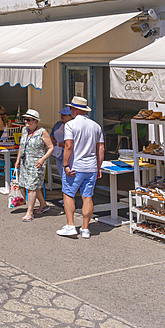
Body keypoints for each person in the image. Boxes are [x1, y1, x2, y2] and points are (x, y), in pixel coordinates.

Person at [57, 96, 105, 239]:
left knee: (68, 194)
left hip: (75, 166)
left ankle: (71, 225)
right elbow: (101, 148)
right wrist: (98, 167)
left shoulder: (70, 125)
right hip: (91, 166)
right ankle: (85, 228)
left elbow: (68, 146)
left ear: (76, 110)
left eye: (71, 108)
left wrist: (65, 164)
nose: (70, 110)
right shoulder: (96, 126)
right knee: (87, 197)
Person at [15, 109, 54, 221]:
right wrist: (18, 160)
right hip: (25, 162)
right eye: (25, 119)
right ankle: (43, 204)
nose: (26, 121)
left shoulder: (42, 132)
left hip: (37, 163)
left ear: (35, 121)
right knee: (31, 185)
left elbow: (51, 147)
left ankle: (30, 212)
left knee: (31, 187)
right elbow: (22, 146)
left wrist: (43, 159)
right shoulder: (24, 130)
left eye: (29, 120)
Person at [51, 106, 73, 178]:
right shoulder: (58, 124)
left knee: (66, 172)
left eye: (64, 115)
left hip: (66, 151)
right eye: (61, 114)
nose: (62, 116)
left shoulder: (73, 125)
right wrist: (52, 139)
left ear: (70, 116)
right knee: (60, 172)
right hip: (57, 150)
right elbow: (52, 134)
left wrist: (65, 144)